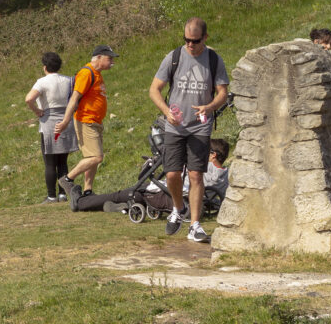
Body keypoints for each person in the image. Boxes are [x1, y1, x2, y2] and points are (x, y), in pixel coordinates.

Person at [149, 17, 229, 243]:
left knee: (196, 175)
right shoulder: (174, 57)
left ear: (205, 37)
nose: (190, 45)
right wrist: (166, 111)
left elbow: (222, 92)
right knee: (172, 174)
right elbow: (154, 89)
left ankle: (195, 225)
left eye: (194, 40)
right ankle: (177, 208)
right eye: (186, 40)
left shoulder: (213, 60)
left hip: (200, 126)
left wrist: (210, 106)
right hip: (175, 125)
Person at [72, 139, 230, 213]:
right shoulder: (225, 174)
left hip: (171, 196)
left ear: (212, 155)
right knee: (133, 195)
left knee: (126, 193)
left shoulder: (203, 168)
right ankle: (123, 208)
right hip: (186, 198)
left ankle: (82, 203)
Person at [55, 45, 118, 200]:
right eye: (109, 58)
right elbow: (74, 98)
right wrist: (65, 121)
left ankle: (88, 190)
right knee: (96, 157)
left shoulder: (97, 74)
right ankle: (67, 179)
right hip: (86, 120)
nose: (112, 62)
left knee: (92, 158)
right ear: (98, 57)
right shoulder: (86, 73)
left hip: (95, 121)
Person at [25, 52, 79, 202]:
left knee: (50, 162)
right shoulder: (69, 80)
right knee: (62, 161)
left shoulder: (42, 82)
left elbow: (29, 98)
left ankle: (51, 196)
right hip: (66, 121)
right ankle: (63, 194)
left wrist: (36, 111)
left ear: (45, 67)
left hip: (49, 122)